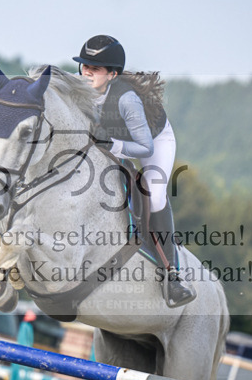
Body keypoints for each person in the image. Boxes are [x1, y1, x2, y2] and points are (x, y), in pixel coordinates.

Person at [73, 34, 195, 307]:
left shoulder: (127, 100)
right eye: (84, 66)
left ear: (112, 74)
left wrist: (114, 145)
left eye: (95, 68)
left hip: (152, 141)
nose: (86, 72)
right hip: (113, 139)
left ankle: (171, 275)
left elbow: (145, 148)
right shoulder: (79, 88)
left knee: (155, 193)